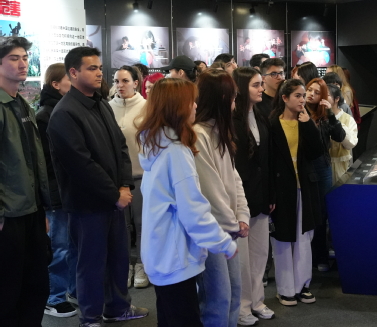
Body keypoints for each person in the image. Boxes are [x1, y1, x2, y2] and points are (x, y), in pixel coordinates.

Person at [48, 46, 149, 326]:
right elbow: (80, 164)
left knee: (118, 258)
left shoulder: (101, 104)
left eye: (99, 68)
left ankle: (117, 308)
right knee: (91, 263)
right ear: (73, 72)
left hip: (114, 199)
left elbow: (120, 147)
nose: (99, 73)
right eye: (92, 68)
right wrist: (114, 193)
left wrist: (125, 185)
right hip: (87, 205)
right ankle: (90, 317)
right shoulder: (64, 113)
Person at [136, 78, 237, 327]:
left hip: (161, 254)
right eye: (191, 101)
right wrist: (224, 243)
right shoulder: (176, 152)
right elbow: (193, 210)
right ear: (178, 107)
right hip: (175, 257)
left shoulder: (155, 145)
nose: (195, 106)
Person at [0, 36, 51, 326]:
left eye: (24, 57)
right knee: (8, 292)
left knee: (36, 286)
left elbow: (34, 161)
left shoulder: (23, 105)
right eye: (14, 58)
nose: (23, 63)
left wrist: (42, 208)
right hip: (9, 215)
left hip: (32, 211)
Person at [193, 69, 251, 327]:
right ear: (221, 98)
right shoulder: (198, 134)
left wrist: (242, 215)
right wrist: (232, 224)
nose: (235, 103)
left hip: (227, 229)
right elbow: (210, 189)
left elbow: (234, 178)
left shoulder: (221, 132)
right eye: (233, 97)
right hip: (212, 231)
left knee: (234, 293)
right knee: (217, 299)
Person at [269, 79, 324, 307]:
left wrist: (309, 124)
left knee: (304, 238)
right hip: (281, 188)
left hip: (305, 187)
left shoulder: (305, 121)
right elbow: (268, 161)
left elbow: (317, 152)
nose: (303, 100)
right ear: (284, 98)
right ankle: (285, 289)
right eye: (298, 96)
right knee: (282, 240)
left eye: (303, 95)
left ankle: (303, 286)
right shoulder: (272, 123)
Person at [232, 67, 276, 325]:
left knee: (260, 253)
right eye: (256, 85)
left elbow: (267, 160)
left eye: (261, 84)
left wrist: (270, 194)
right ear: (241, 88)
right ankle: (242, 306)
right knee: (242, 258)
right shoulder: (231, 120)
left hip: (261, 196)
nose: (261, 89)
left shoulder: (260, 116)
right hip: (240, 198)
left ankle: (257, 301)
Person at [36, 63, 78, 318]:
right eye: (68, 78)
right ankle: (54, 298)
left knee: (70, 245)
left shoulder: (64, 110)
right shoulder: (45, 115)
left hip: (68, 190)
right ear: (55, 84)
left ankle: (70, 291)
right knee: (59, 247)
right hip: (56, 192)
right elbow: (46, 162)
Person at [109, 66, 148, 289]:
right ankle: (124, 265)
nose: (120, 85)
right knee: (121, 227)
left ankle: (142, 264)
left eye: (125, 81)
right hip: (117, 178)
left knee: (142, 224)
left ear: (135, 83)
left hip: (142, 175)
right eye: (116, 81)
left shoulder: (147, 107)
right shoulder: (107, 108)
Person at [304, 78, 346, 272]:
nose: (311, 94)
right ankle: (307, 257)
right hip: (304, 165)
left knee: (322, 211)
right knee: (306, 210)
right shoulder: (298, 111)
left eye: (316, 92)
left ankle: (320, 255)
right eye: (309, 90)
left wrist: (330, 114)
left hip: (322, 166)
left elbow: (340, 136)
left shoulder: (324, 116)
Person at [326, 84, 358, 184]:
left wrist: (336, 123)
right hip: (323, 165)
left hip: (341, 165)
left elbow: (351, 143)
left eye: (327, 95)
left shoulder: (347, 119)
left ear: (337, 99)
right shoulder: (319, 117)